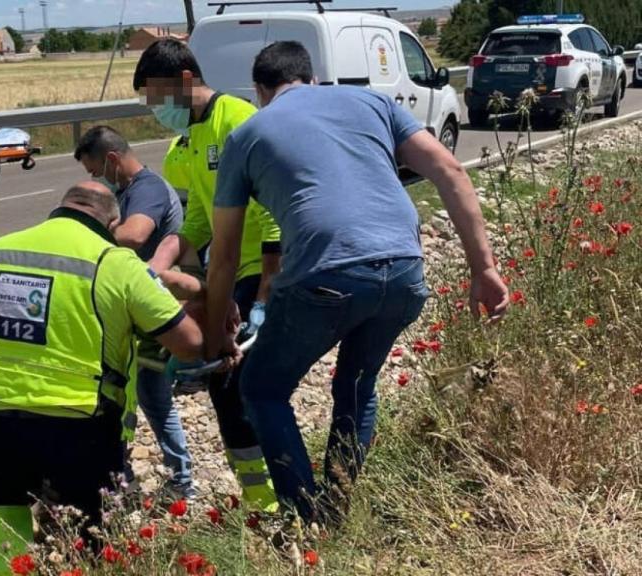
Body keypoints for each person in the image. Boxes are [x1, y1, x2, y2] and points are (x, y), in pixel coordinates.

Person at [205, 41, 510, 523]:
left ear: (261, 90)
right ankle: (338, 502)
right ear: (310, 77)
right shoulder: (372, 102)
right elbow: (450, 170)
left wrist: (215, 327)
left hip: (325, 274)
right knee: (357, 384)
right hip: (406, 269)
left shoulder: (248, 134)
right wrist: (484, 269)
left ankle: (309, 522)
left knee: (262, 387)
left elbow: (222, 256)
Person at [0, 182, 206, 575]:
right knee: (90, 527)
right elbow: (189, 343)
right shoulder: (116, 262)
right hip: (78, 419)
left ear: (61, 208)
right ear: (113, 223)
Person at [133, 38, 280, 510]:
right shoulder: (191, 140)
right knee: (225, 383)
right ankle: (261, 500)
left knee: (242, 384)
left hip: (266, 269)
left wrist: (263, 296)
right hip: (232, 269)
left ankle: (277, 498)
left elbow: (274, 208)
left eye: (156, 98)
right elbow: (197, 219)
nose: (155, 110)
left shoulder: (236, 120)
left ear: (184, 81)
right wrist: (159, 262)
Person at [74, 125, 196, 499]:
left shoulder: (147, 189)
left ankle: (178, 479)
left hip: (154, 311)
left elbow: (134, 235)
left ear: (112, 159)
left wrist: (77, 237)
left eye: (96, 171)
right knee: (141, 394)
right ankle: (137, 473)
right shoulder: (130, 190)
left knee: (144, 395)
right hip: (138, 309)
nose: (95, 179)